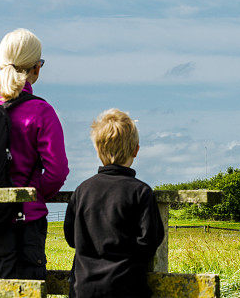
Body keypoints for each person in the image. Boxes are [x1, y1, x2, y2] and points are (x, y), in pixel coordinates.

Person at [0, 29, 69, 280]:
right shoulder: (41, 111)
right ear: (36, 69)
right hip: (26, 220)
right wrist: (34, 192)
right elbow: (57, 171)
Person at [64, 109, 165, 298]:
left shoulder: (82, 190)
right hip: (126, 286)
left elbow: (71, 237)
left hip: (83, 288)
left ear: (97, 149)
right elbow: (150, 240)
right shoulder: (141, 192)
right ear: (136, 150)